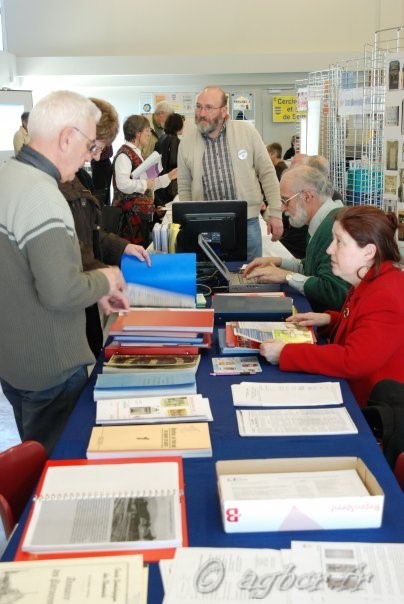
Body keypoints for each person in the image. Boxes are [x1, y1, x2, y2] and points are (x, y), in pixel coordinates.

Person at [0, 90, 129, 454]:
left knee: (33, 456)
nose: (91, 155)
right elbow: (59, 291)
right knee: (54, 467)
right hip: (50, 368)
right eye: (89, 144)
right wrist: (107, 278)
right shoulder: (43, 194)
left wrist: (92, 288)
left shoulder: (8, 174)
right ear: (66, 137)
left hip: (15, 362)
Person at [260, 205, 404, 408]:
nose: (329, 250)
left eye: (339, 242)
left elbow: (353, 361)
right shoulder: (372, 279)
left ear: (369, 251)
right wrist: (330, 319)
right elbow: (365, 326)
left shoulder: (385, 295)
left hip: (373, 409)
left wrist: (286, 353)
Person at [59, 97, 151, 358]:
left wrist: (122, 247)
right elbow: (71, 250)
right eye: (94, 148)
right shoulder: (54, 184)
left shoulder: (77, 176)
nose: (96, 157)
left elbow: (91, 232)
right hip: (70, 311)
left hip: (84, 298)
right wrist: (105, 276)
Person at [177, 85, 282, 261]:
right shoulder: (186, 144)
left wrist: (276, 213)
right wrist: (188, 225)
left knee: (250, 276)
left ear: (224, 110)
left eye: (208, 107)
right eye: (198, 106)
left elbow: (267, 173)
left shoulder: (246, 132)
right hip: (204, 225)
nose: (201, 113)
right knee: (211, 278)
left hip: (247, 223)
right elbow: (184, 187)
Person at [244, 165, 350, 311]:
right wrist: (279, 262)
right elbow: (313, 267)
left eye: (285, 200)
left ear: (307, 196)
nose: (282, 208)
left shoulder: (332, 228)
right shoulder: (323, 221)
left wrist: (286, 276)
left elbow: (333, 291)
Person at [112, 114, 177, 246]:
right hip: (129, 219)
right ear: (138, 133)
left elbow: (149, 184)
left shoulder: (136, 153)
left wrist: (169, 176)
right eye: (147, 130)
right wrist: (145, 183)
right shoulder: (124, 155)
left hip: (140, 215)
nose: (149, 134)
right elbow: (123, 184)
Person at [154, 112, 184, 204]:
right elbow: (174, 163)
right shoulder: (175, 141)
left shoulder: (161, 138)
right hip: (170, 183)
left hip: (159, 180)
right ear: (178, 125)